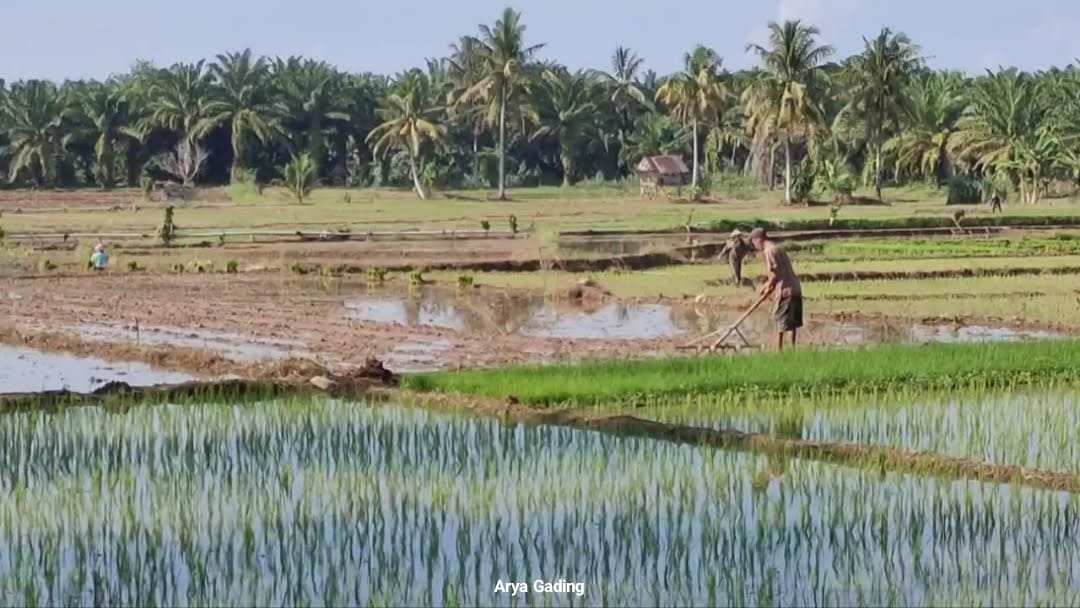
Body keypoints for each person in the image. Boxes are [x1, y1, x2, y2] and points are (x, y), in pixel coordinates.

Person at [748, 227, 802, 350]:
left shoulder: (769, 251)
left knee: (780, 322)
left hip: (785, 291)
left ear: (758, 239)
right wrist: (767, 287)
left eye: (753, 242)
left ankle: (779, 352)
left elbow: (775, 275)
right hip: (795, 288)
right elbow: (780, 272)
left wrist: (767, 288)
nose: (754, 246)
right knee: (792, 323)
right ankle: (793, 349)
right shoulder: (778, 248)